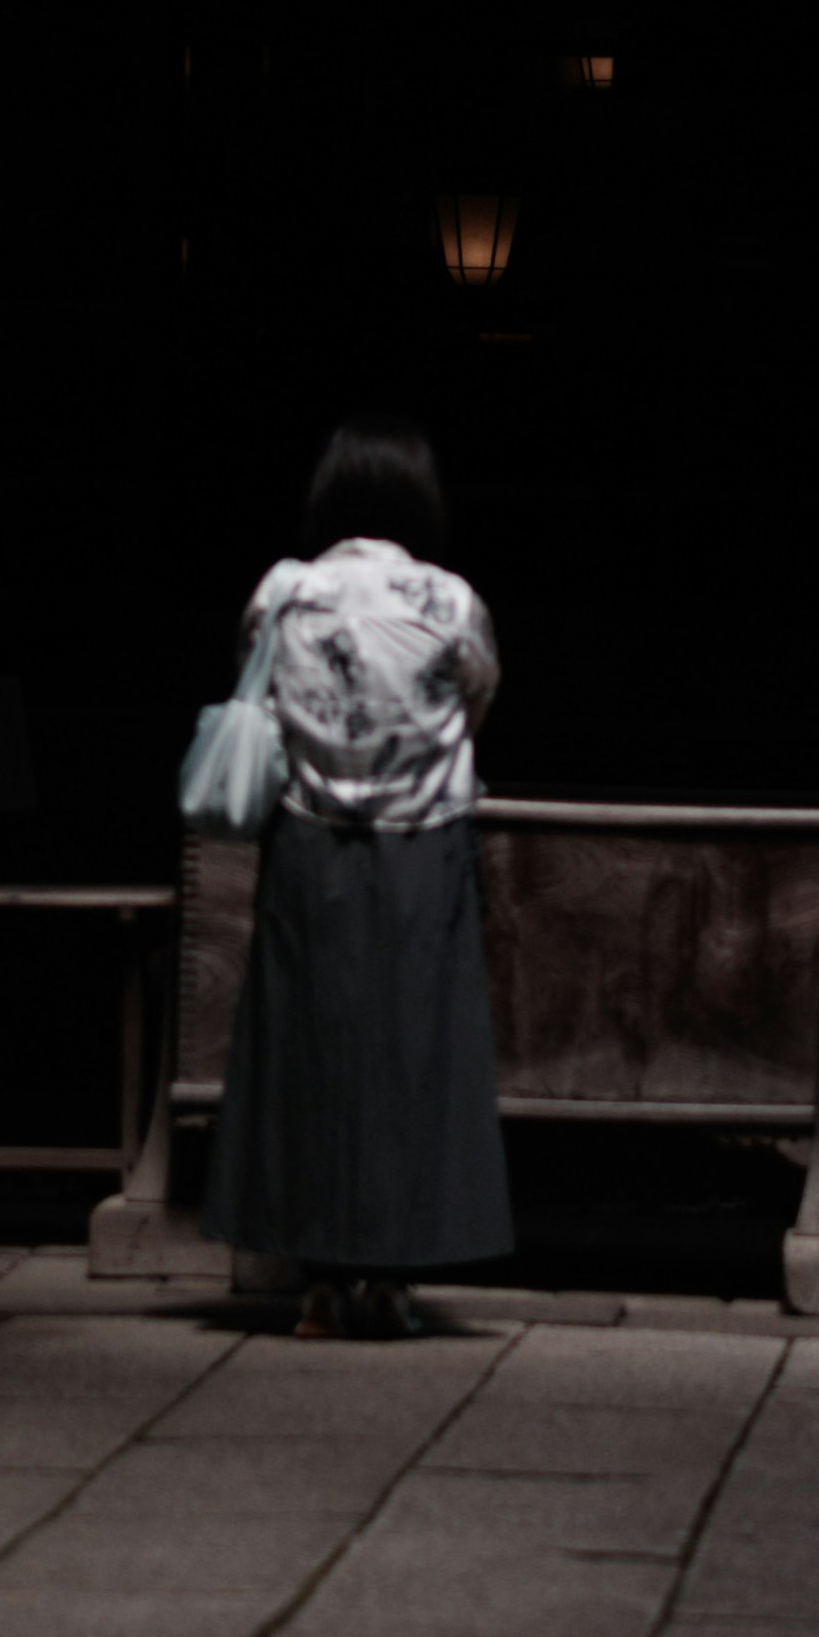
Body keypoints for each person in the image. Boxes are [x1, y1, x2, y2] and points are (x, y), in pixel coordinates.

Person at [205, 416, 515, 1337]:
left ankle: (318, 1281)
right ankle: (393, 1277)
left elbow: (258, 694)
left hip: (309, 844)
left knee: (310, 1057)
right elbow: (477, 701)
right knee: (415, 1058)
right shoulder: (451, 600)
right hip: (423, 848)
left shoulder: (285, 592)